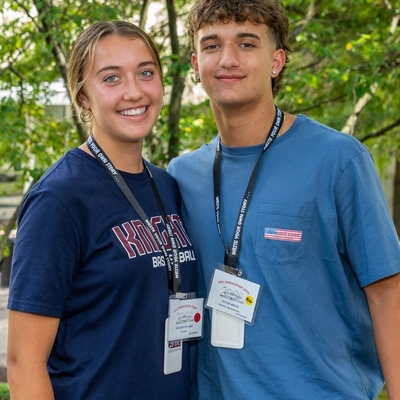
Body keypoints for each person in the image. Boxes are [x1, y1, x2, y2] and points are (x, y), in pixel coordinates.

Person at [167, 0, 400, 398]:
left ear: (276, 61)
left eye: (246, 44)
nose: (227, 59)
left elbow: (387, 293)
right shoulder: (181, 176)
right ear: (195, 64)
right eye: (211, 45)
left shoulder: (338, 160)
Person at [7, 21, 197, 400]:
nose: (134, 91)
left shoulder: (167, 186)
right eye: (111, 78)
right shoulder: (59, 199)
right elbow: (22, 363)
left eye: (146, 73)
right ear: (83, 98)